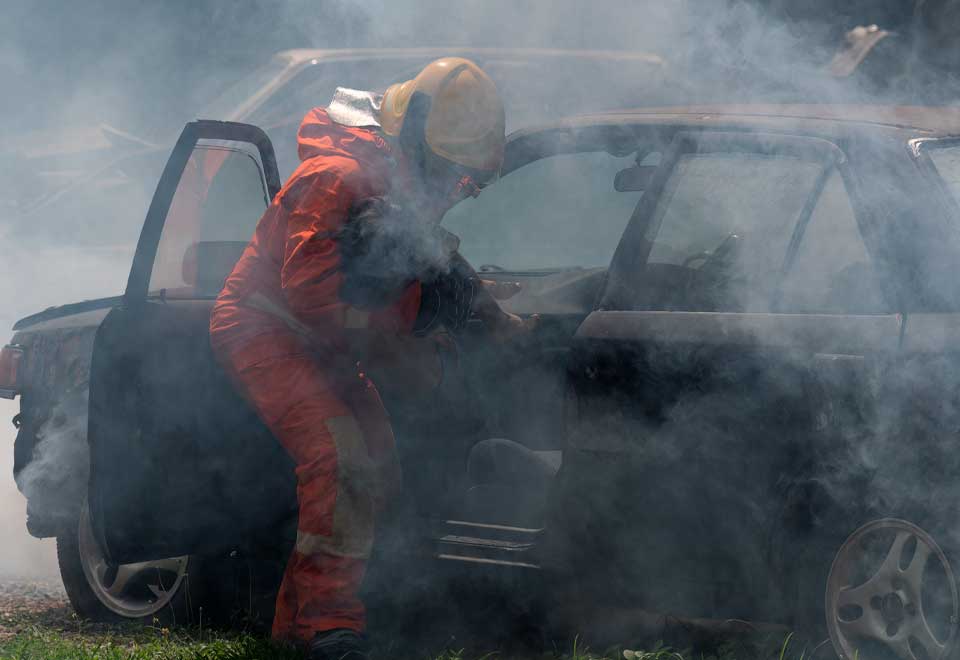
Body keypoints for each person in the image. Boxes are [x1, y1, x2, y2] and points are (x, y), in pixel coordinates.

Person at [209, 57, 525, 660]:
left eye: (470, 182)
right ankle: (331, 631)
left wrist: (489, 320)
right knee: (341, 459)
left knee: (377, 462)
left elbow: (423, 266)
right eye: (458, 175)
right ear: (422, 146)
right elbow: (310, 292)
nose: (459, 189)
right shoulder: (339, 176)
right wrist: (403, 335)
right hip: (266, 331)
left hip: (322, 341)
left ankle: (298, 628)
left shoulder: (395, 183)